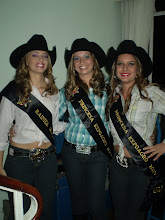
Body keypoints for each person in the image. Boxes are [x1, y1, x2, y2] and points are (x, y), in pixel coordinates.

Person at [0, 34, 66, 220]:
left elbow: (53, 126)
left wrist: (73, 124)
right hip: (20, 162)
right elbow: (1, 132)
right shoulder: (13, 91)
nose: (41, 59)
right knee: (21, 211)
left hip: (48, 160)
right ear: (26, 60)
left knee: (47, 209)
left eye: (45, 56)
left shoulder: (54, 92)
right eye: (35, 55)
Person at [105, 40, 165, 220]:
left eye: (130, 63)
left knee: (136, 216)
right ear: (115, 68)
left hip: (141, 167)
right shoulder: (112, 93)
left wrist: (164, 146)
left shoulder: (151, 92)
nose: (125, 68)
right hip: (116, 166)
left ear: (138, 68)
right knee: (119, 214)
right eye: (120, 64)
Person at [59, 38, 110, 220]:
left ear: (94, 60)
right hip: (71, 153)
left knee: (97, 205)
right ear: (72, 64)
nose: (82, 62)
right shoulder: (67, 90)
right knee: (78, 202)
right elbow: (50, 118)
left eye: (86, 57)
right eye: (77, 58)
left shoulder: (110, 86)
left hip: (98, 155)